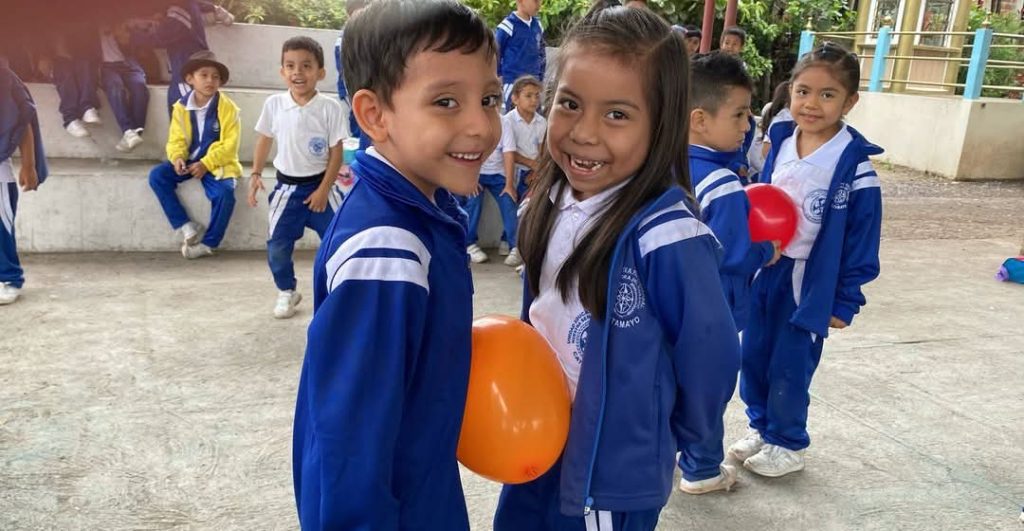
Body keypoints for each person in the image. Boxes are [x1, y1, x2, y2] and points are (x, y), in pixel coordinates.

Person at [494, 4, 740, 530]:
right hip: (536, 441)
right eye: (570, 104)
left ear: (662, 124)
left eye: (617, 114)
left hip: (610, 471)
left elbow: (710, 351)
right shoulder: (546, 203)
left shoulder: (668, 236)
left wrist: (665, 437)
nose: (584, 132)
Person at [292, 1, 501, 528]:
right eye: (446, 102)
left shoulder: (422, 207)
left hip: (421, 487)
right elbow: (351, 443)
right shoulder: (387, 249)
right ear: (373, 116)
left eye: (489, 99)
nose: (480, 125)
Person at [731, 42, 883, 478]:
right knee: (753, 354)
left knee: (791, 363)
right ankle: (761, 426)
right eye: (803, 91)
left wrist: (845, 300)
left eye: (827, 94)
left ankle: (788, 441)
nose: (811, 104)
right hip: (766, 269)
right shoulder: (780, 139)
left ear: (850, 102)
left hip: (808, 281)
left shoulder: (854, 166)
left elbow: (862, 239)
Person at [248, 36, 347, 319]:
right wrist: (255, 173)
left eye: (306, 65)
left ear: (320, 72)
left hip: (322, 186)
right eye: (290, 66)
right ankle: (287, 291)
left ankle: (340, 292)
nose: (297, 72)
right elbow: (264, 140)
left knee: (341, 239)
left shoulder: (329, 107)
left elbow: (336, 152)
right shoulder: (274, 104)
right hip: (287, 189)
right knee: (277, 246)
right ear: (282, 72)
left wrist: (323, 190)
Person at [687, 52, 781, 338]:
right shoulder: (722, 183)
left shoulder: (666, 166)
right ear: (700, 120)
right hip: (714, 314)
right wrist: (767, 251)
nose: (747, 126)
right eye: (739, 115)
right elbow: (733, 254)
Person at [148, 51, 241, 260]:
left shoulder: (228, 109)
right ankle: (185, 225)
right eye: (204, 75)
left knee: (225, 194)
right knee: (157, 176)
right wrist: (177, 157)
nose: (210, 80)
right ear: (190, 79)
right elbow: (176, 139)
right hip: (189, 161)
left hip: (217, 164)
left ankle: (209, 243)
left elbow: (230, 145)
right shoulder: (181, 107)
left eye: (215, 77)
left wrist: (206, 164)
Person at [0, 59, 47, 305]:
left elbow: (22, 121)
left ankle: (9, 278)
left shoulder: (4, 78)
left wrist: (28, 165)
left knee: (1, 229)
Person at [128, 0, 209, 115]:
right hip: (188, 71)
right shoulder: (185, 6)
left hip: (187, 73)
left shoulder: (180, 9)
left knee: (184, 112)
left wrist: (131, 36)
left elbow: (161, 37)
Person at [463, 113, 518, 265]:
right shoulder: (472, 120)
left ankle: (515, 246)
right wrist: (470, 179)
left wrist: (509, 184)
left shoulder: (504, 122)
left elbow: (508, 154)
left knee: (509, 200)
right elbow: (466, 149)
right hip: (476, 172)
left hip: (498, 175)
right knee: (473, 200)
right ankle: (469, 244)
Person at [503, 74, 545, 266]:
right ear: (515, 99)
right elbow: (509, 151)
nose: (534, 100)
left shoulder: (542, 122)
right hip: (513, 169)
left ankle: (521, 246)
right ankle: (513, 245)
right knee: (512, 205)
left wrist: (537, 171)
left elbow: (543, 152)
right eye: (528, 96)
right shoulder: (508, 121)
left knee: (531, 208)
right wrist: (531, 164)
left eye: (537, 95)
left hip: (534, 172)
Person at [100, 23, 149, 152]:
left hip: (128, 63)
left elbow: (133, 44)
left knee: (140, 87)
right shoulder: (90, 25)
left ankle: (135, 132)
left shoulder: (120, 20)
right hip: (106, 66)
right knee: (115, 86)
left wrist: (123, 34)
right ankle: (128, 130)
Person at [334, 0, 371, 150]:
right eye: (357, 15)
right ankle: (360, 153)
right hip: (352, 88)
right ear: (348, 15)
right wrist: (351, 93)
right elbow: (344, 70)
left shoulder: (369, 35)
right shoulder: (344, 39)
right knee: (359, 120)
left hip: (368, 87)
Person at [496, 0, 545, 110]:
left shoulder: (538, 26)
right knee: (514, 115)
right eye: (535, 0)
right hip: (513, 82)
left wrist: (540, 78)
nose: (539, 4)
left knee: (535, 115)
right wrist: (498, 74)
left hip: (534, 81)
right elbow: (496, 51)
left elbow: (542, 54)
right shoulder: (508, 25)